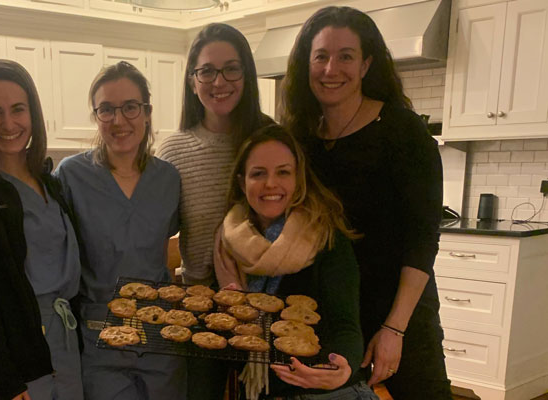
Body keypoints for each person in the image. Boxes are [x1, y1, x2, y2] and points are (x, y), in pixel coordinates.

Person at [280, 6, 451, 399]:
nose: (331, 68)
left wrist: (394, 329)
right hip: (331, 314)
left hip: (397, 311)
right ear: (306, 65)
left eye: (346, 56)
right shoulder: (300, 136)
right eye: (320, 56)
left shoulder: (401, 130)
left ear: (366, 64)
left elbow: (422, 240)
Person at [0, 59, 83, 400]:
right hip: (14, 355)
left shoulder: (49, 184)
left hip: (64, 343)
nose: (8, 122)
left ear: (33, 114)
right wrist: (7, 380)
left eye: (18, 109)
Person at [214, 124, 378, 400]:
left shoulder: (325, 238)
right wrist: (228, 314)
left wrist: (341, 369)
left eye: (283, 172)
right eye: (258, 174)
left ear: (298, 179)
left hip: (324, 392)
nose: (270, 184)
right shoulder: (226, 244)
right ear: (242, 183)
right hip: (260, 391)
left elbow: (346, 324)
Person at [55, 61, 185, 400]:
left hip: (161, 338)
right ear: (96, 116)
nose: (119, 120)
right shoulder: (71, 177)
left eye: (130, 107)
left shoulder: (168, 180)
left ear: (147, 112)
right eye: (107, 109)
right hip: (100, 339)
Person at [156, 22, 272, 399]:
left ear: (246, 75)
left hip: (266, 296)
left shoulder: (269, 139)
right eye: (206, 70)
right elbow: (154, 229)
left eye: (231, 68)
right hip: (200, 301)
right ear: (192, 80)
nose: (219, 81)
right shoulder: (174, 151)